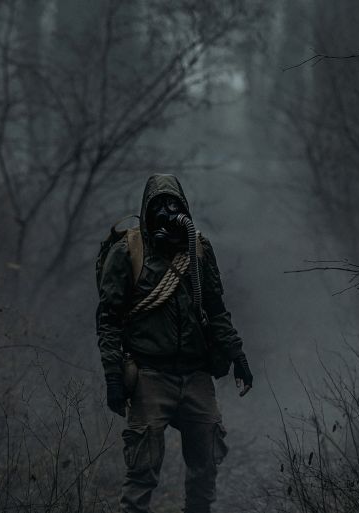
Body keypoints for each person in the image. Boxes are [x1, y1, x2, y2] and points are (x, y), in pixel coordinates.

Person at [96, 173, 253, 513]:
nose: (167, 211)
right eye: (159, 205)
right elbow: (108, 320)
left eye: (174, 205)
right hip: (150, 376)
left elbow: (216, 309)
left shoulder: (199, 249)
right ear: (146, 209)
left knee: (206, 466)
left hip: (196, 376)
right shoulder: (127, 253)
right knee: (141, 473)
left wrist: (237, 355)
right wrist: (113, 376)